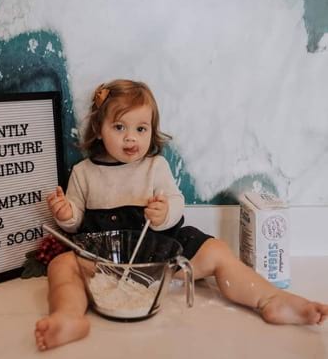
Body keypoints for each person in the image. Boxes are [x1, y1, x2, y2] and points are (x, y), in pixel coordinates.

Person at [34, 79, 328, 351]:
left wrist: (164, 214)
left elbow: (176, 202)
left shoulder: (155, 166)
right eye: (119, 127)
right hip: (106, 263)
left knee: (217, 251)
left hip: (159, 257)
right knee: (62, 265)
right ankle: (68, 316)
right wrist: (64, 213)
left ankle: (269, 299)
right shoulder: (85, 173)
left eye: (141, 128)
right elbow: (73, 221)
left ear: (152, 130)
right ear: (99, 129)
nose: (131, 138)